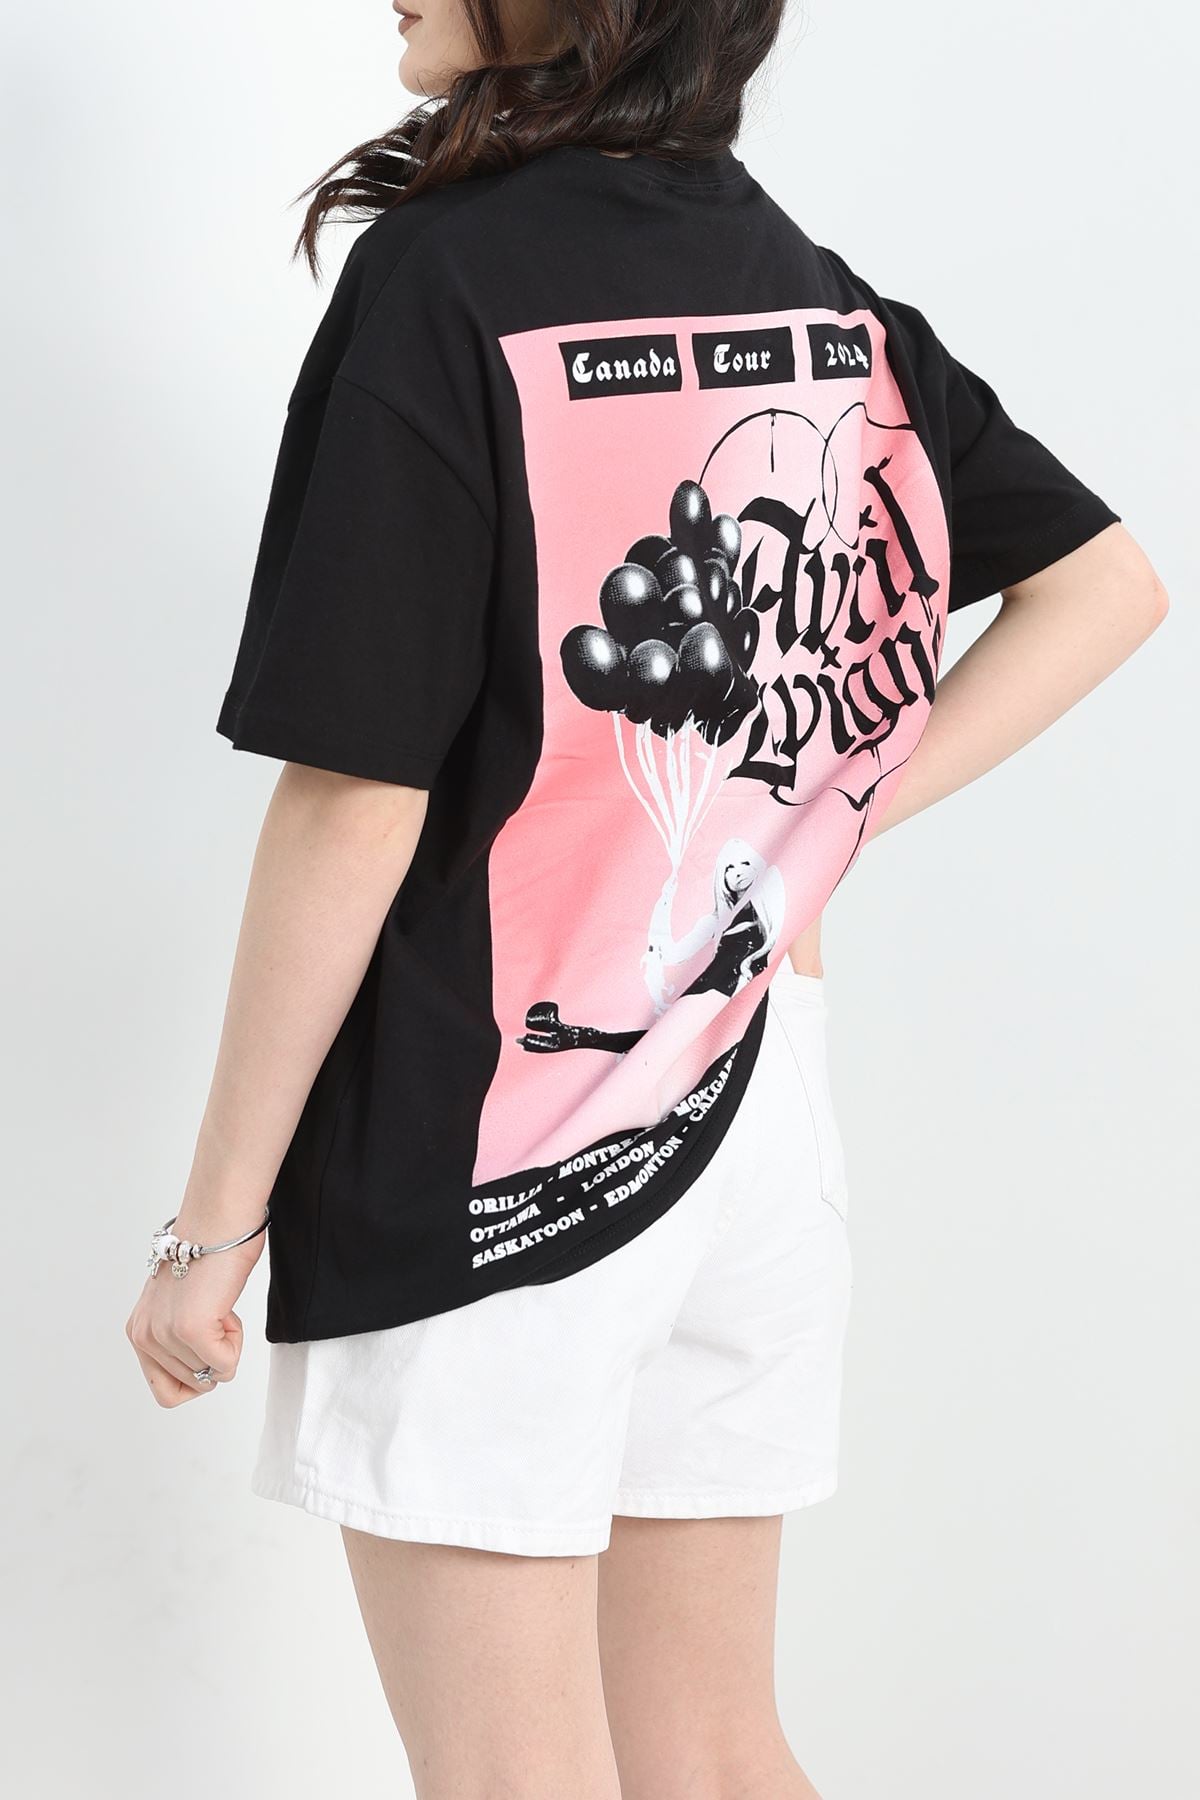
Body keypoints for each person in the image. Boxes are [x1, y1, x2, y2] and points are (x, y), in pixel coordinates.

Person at [124, 1, 1169, 1794]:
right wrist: (812, 819)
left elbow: (358, 794)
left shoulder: (444, 282)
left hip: (499, 1135)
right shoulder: (797, 284)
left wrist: (210, 1229)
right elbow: (1106, 586)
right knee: (716, 1755)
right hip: (756, 1119)